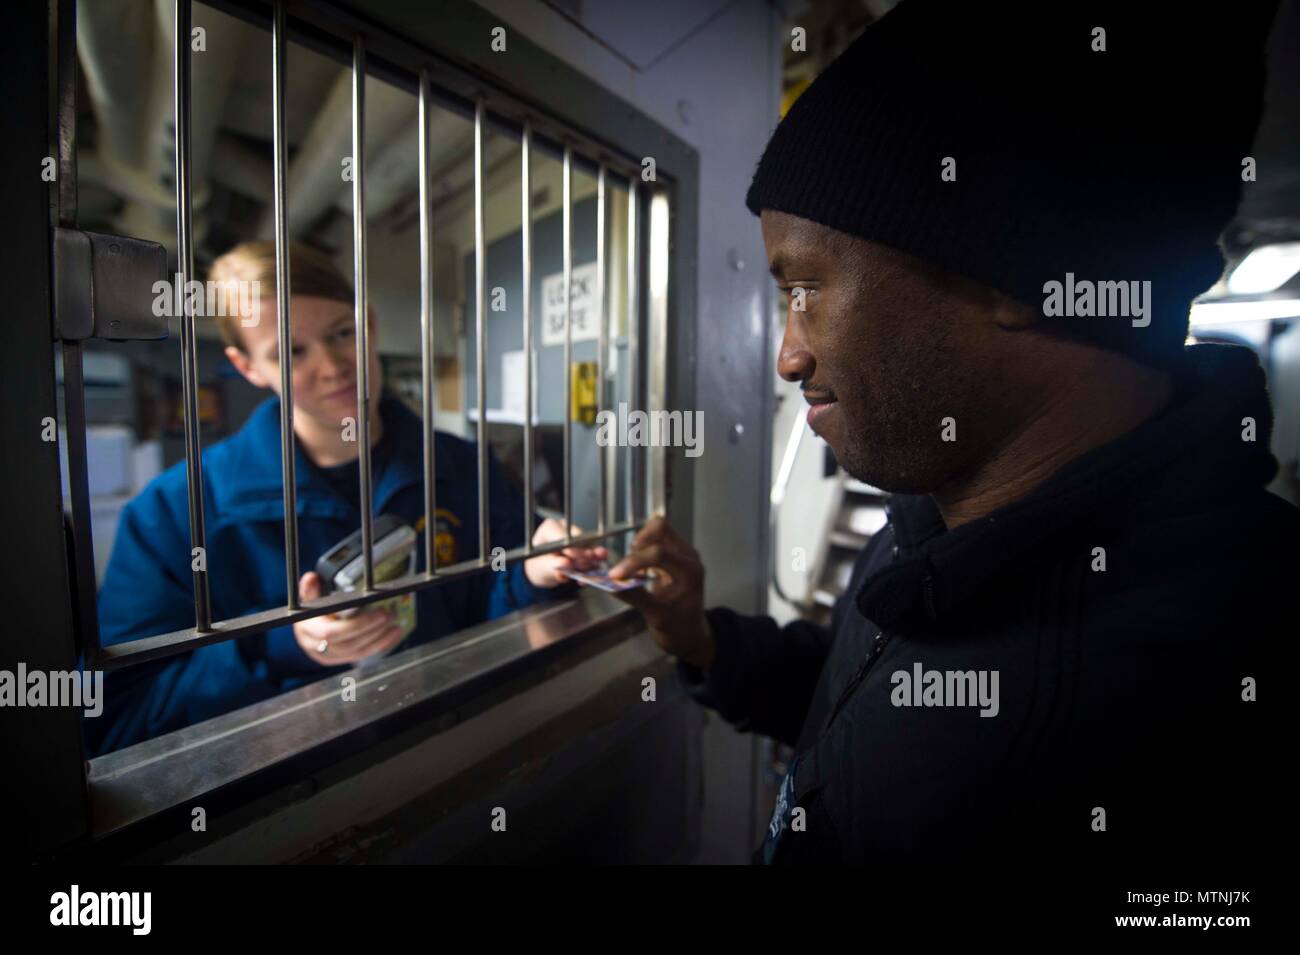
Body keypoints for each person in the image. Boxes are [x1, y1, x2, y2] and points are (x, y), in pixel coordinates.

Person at [608, 0, 1294, 861]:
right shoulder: (935, 532)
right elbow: (857, 695)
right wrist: (702, 638)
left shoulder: (1200, 686)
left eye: (804, 289)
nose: (787, 355)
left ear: (1012, 272)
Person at [86, 241, 604, 755]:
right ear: (247, 368)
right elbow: (119, 722)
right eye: (291, 351)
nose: (334, 366)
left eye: (342, 333)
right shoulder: (175, 514)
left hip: (458, 751)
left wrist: (536, 573)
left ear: (369, 324)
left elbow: (492, 608)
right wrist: (285, 646)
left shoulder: (464, 466)